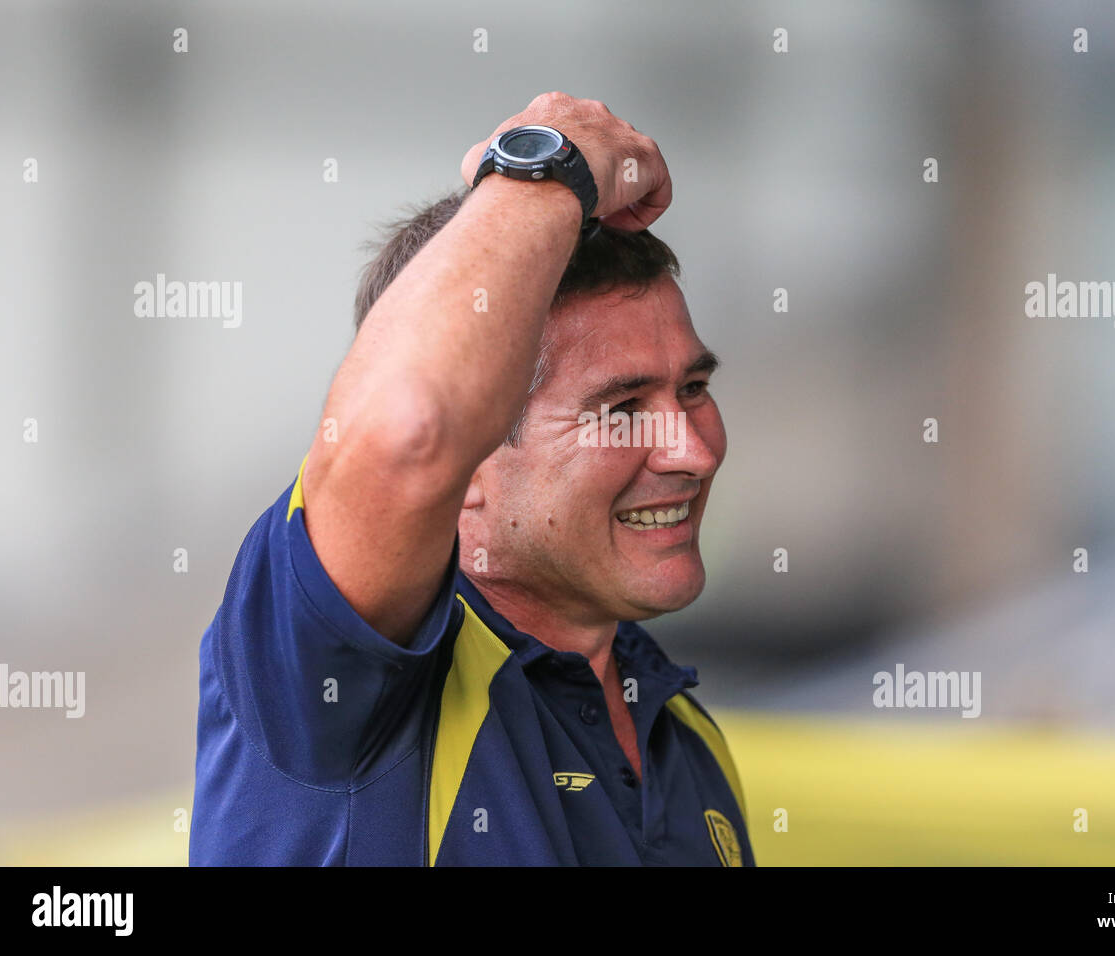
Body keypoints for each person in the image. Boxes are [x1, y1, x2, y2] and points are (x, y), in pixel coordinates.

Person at [189, 92, 753, 866]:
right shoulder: (336, 680)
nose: (690, 450)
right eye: (622, 408)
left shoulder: (686, 741)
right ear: (471, 464)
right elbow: (405, 431)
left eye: (693, 389)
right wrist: (550, 164)